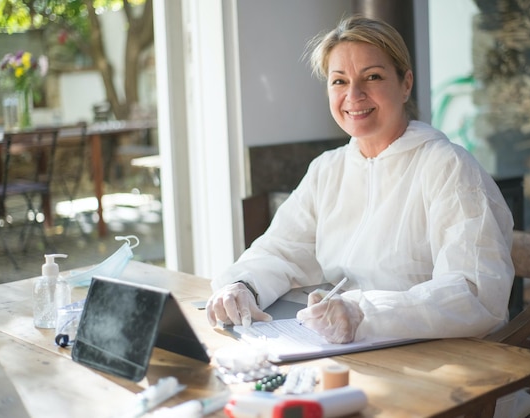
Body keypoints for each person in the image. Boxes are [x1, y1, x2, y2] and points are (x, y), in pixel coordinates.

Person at [206, 15, 514, 344]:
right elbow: (281, 250)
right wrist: (243, 286)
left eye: (373, 76)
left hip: (436, 362)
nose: (354, 94)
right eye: (339, 81)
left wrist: (364, 313)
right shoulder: (327, 170)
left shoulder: (448, 167)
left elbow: (475, 292)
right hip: (343, 353)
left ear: (405, 84)